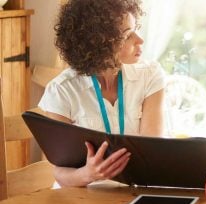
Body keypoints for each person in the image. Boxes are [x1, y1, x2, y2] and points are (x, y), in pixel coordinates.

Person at [38, 0, 165, 187]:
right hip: (82, 197)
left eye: (135, 28)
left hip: (133, 190)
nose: (140, 40)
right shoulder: (62, 90)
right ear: (97, 43)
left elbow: (152, 152)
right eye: (127, 35)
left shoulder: (150, 75)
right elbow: (60, 172)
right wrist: (87, 174)